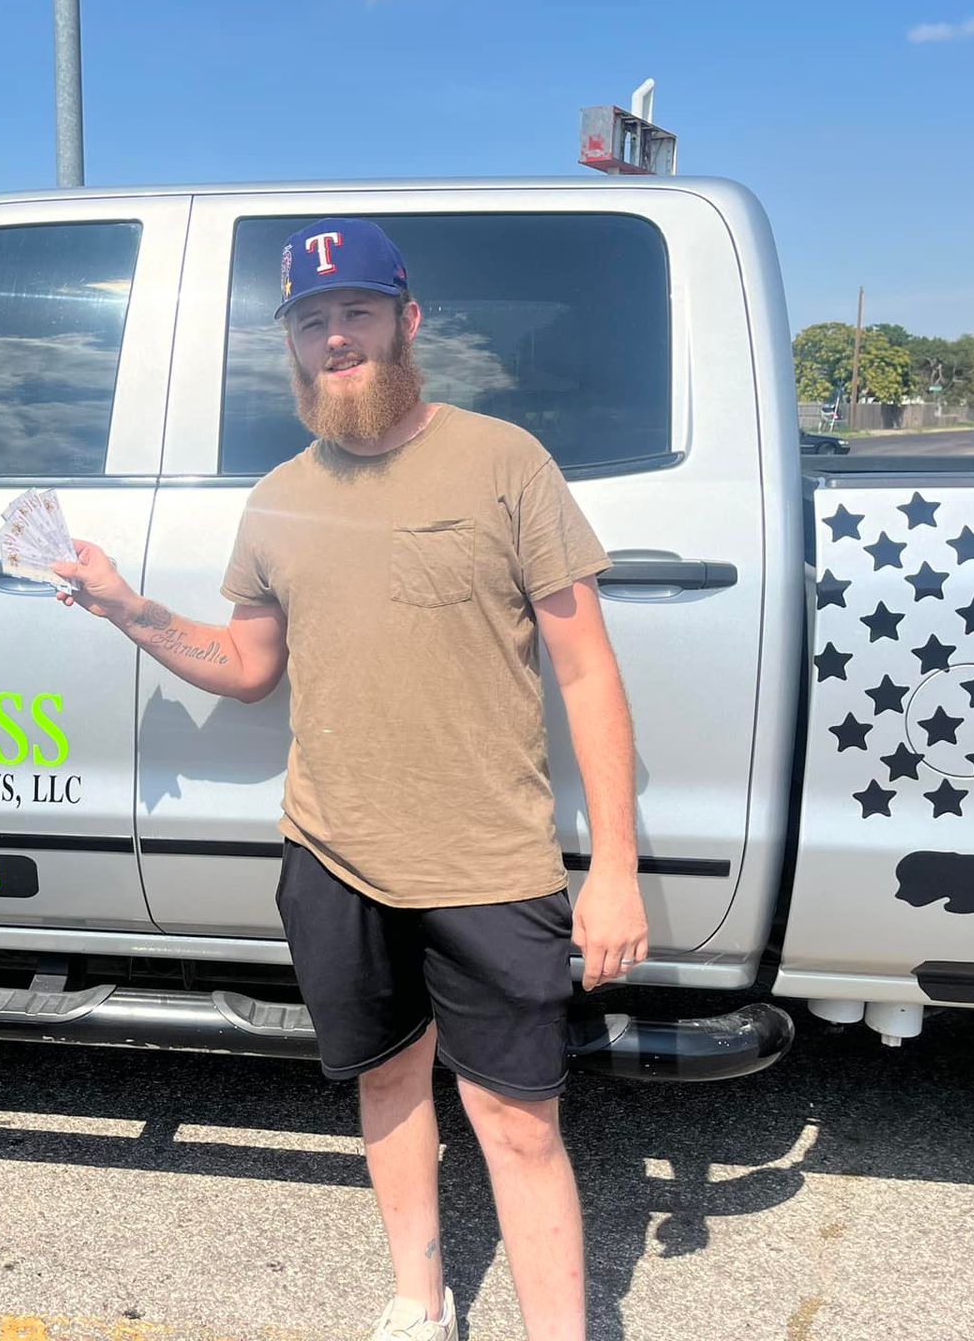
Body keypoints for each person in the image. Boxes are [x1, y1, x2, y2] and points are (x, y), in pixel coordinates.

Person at [52, 218, 646, 1341]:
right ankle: (419, 1304)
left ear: (407, 322)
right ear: (291, 342)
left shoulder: (503, 460)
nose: (336, 339)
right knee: (386, 1084)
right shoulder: (277, 495)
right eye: (312, 321)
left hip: (487, 859)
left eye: (357, 313)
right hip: (331, 851)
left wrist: (613, 867)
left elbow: (587, 668)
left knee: (517, 1123)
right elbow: (247, 669)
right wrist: (130, 610)